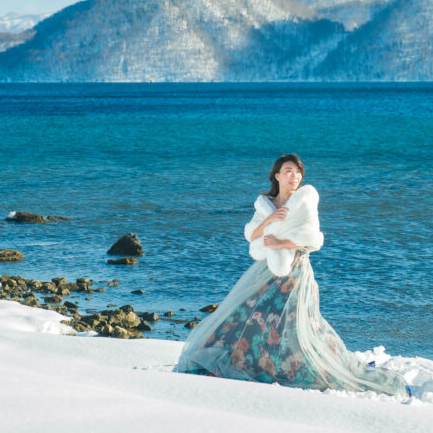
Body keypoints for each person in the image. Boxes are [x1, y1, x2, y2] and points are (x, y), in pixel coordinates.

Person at [174, 153, 409, 398]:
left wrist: (280, 242)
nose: (294, 177)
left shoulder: (304, 201)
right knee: (246, 316)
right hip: (265, 272)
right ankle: (225, 362)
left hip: (295, 271)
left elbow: (314, 240)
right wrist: (269, 220)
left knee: (297, 326)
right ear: (277, 175)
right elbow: (251, 235)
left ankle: (304, 370)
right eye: (288, 171)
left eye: (297, 173)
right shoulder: (265, 204)